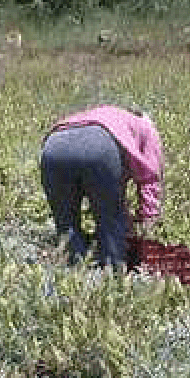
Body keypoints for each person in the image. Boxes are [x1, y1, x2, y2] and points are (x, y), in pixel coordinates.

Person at [39, 104, 163, 268]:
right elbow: (150, 179)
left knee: (66, 226)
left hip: (54, 145)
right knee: (110, 224)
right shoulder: (146, 125)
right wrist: (148, 222)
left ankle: (74, 272)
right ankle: (114, 274)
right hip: (99, 144)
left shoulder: (104, 114)